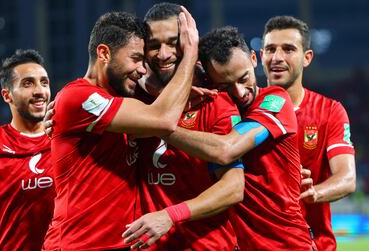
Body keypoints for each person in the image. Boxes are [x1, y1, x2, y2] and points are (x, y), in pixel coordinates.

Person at [124, 26, 314, 251]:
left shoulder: (274, 100)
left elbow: (226, 150)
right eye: (225, 85)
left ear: (253, 58)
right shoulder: (220, 109)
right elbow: (152, 77)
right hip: (241, 244)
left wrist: (157, 126)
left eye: (244, 79)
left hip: (286, 244)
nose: (240, 92)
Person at [42, 9, 198, 251]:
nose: (143, 69)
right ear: (104, 53)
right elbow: (164, 119)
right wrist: (190, 53)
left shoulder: (122, 99)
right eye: (136, 58)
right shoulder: (78, 97)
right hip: (78, 245)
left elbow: (151, 93)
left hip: (121, 244)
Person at [128, 3, 240, 250]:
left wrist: (170, 215)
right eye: (154, 45)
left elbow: (233, 188)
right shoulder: (133, 99)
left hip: (209, 245)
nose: (164, 54)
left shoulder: (214, 101)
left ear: (188, 44)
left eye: (173, 43)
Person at [260, 15, 356, 251]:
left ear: (307, 58)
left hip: (311, 244)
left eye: (288, 49)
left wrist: (315, 192)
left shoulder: (329, 111)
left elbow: (347, 178)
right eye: (270, 49)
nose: (277, 57)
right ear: (261, 55)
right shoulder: (244, 109)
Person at [0, 49, 55, 251]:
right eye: (28, 83)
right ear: (7, 95)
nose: (40, 91)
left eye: (44, 83)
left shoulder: (68, 141)